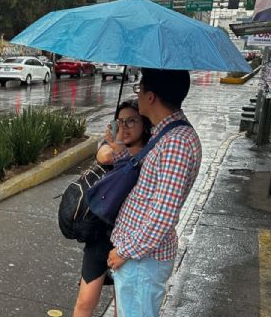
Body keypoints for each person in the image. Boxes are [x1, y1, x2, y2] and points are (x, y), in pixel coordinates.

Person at [107, 68, 202, 317]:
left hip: (142, 261)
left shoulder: (176, 143)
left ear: (151, 97)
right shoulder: (164, 133)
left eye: (139, 89)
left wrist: (124, 251)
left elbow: (163, 215)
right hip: (139, 258)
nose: (137, 96)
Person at [73, 100, 152, 317]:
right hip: (101, 233)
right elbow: (104, 155)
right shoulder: (114, 147)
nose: (125, 127)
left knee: (122, 305)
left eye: (131, 121)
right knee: (85, 300)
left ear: (144, 123)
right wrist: (116, 142)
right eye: (120, 122)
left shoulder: (151, 153)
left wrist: (121, 149)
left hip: (129, 238)